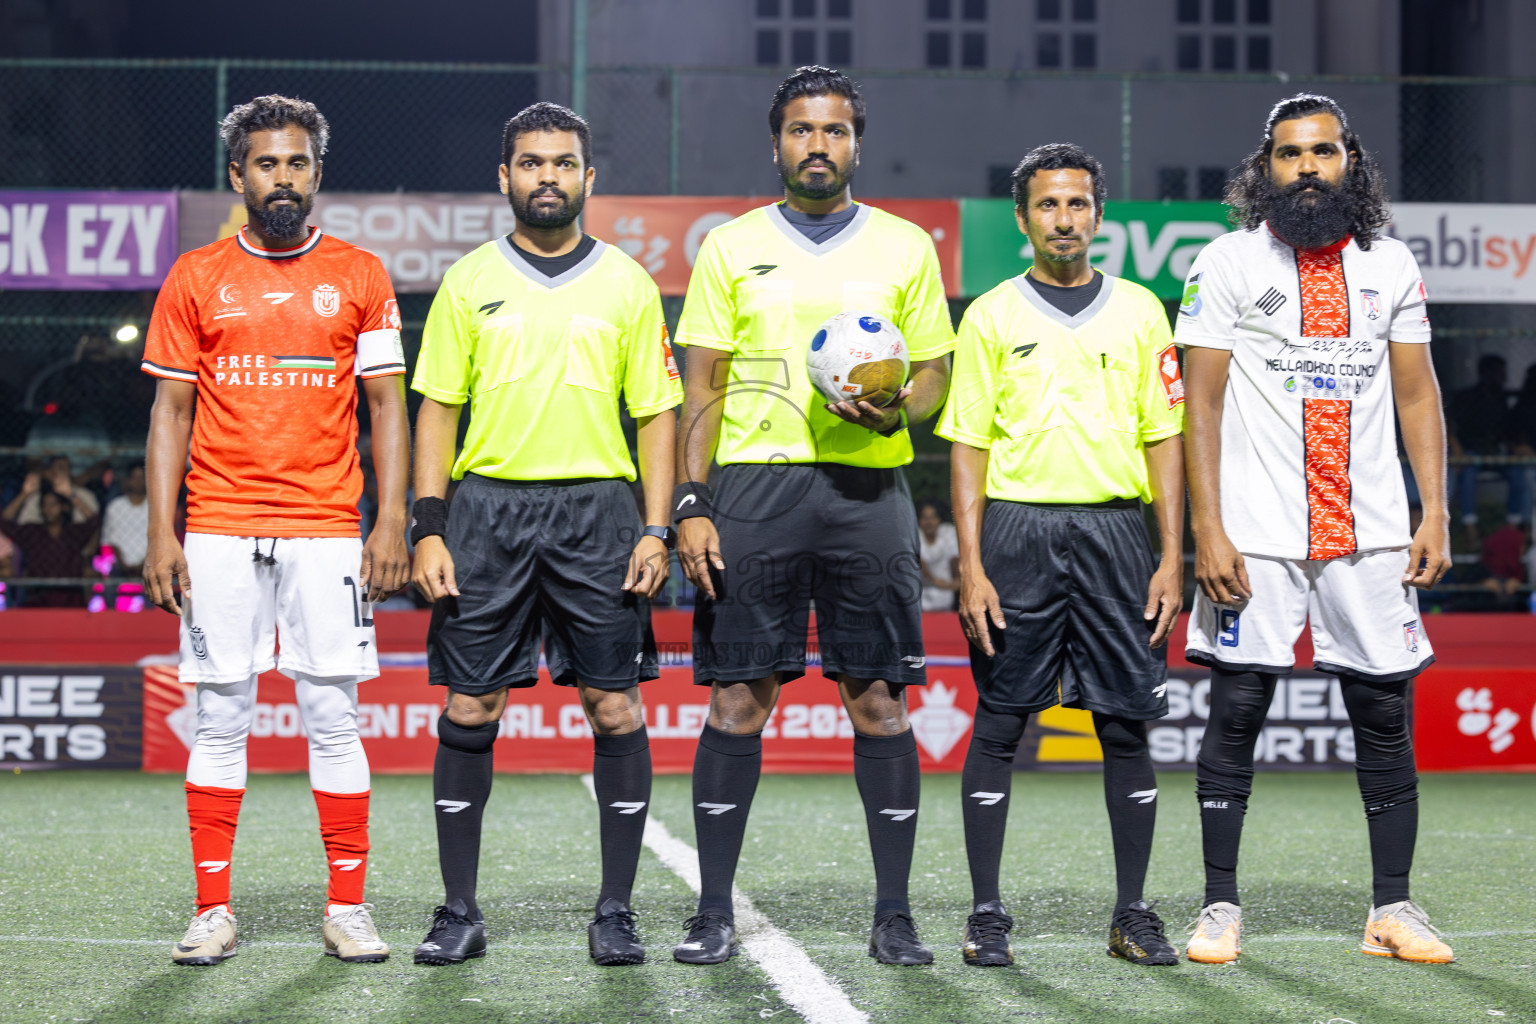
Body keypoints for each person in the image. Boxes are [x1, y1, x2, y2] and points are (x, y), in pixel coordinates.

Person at [671, 66, 955, 966]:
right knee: (739, 698)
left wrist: (899, 407)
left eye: (833, 132)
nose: (817, 146)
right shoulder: (728, 247)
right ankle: (713, 911)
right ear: (777, 143)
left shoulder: (907, 247)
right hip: (756, 486)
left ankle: (894, 916)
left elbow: (936, 375)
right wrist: (691, 502)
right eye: (801, 131)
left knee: (877, 698)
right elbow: (700, 384)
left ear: (855, 144)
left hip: (868, 489)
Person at [1178, 94, 1454, 965]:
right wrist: (1207, 530)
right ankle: (1220, 907)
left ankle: (1392, 911)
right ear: (1266, 168)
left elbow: (1417, 394)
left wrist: (1434, 509)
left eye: (1322, 152)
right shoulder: (1224, 261)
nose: (1307, 168)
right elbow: (1202, 405)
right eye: (1290, 154)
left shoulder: (1390, 265)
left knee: (1382, 712)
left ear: (1350, 162)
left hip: (1368, 530)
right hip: (1254, 532)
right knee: (1238, 707)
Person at [141, 94, 411, 967]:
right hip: (217, 524)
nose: (283, 177)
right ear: (238, 175)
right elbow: (170, 413)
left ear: (317, 174)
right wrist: (161, 532)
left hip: (329, 525)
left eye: (297, 163)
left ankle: (348, 907)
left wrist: (392, 521)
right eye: (267, 163)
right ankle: (212, 909)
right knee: (220, 717)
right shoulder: (195, 275)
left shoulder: (362, 276)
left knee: (334, 716)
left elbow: (386, 408)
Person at [409, 102, 680, 969]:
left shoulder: (628, 283)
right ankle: (458, 910)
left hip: (600, 515)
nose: (548, 177)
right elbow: (437, 410)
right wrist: (428, 524)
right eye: (531, 163)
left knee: (613, 706)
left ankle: (616, 912)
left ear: (588, 179)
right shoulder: (468, 280)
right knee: (470, 705)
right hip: (487, 513)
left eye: (564, 163)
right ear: (506, 177)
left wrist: (656, 526)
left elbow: (659, 416)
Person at [938, 143, 1186, 968]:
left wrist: (1171, 551)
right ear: (1022, 219)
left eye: (1078, 204)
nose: (1064, 219)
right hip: (1017, 533)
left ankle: (1133, 913)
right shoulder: (992, 315)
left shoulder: (1143, 311)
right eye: (1048, 205)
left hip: (1119, 535)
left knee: (1125, 725)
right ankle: (985, 915)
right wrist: (970, 564)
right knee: (1002, 723)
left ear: (1100, 215)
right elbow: (967, 444)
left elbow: (1165, 437)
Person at [1448, 354, 1527, 539]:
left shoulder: (1499, 400)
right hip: (1472, 453)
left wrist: (1515, 447)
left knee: (1518, 472)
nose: (1504, 377)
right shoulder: (1468, 397)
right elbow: (1450, 425)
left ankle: (1513, 526)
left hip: (1496, 454)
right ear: (1488, 373)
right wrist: (1457, 449)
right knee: (1467, 473)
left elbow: (1507, 431)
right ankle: (1470, 525)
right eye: (1500, 373)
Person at [0, 472, 100, 606]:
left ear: (64, 507)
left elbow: (94, 521)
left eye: (53, 504)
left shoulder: (73, 532)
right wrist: (25, 494)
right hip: (38, 598)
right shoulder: (32, 532)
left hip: (71, 599)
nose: (49, 509)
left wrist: (70, 494)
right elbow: (5, 522)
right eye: (45, 505)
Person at [100, 461, 150, 576]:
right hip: (118, 564)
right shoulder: (115, 506)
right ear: (127, 480)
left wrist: (143, 563)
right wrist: (122, 564)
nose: (138, 481)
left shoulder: (155, 507)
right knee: (108, 584)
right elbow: (108, 539)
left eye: (142, 477)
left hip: (150, 563)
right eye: (134, 477)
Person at [917, 499, 960, 612]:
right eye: (924, 517)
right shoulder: (915, 535)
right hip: (921, 599)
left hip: (946, 599)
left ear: (940, 518)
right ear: (918, 520)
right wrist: (935, 582)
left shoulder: (949, 532)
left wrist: (958, 580)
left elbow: (954, 560)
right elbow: (921, 566)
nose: (929, 522)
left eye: (933, 517)